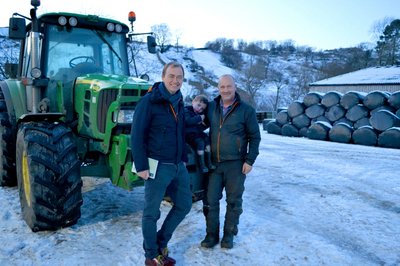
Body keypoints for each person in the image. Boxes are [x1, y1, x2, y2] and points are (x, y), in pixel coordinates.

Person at [131, 62, 192, 266]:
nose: (176, 81)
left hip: (177, 165)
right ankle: (151, 255)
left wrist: (183, 157)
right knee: (151, 213)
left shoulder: (180, 101)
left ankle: (160, 243)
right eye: (172, 76)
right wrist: (141, 166)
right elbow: (137, 135)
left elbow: (180, 132)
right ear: (163, 77)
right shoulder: (149, 101)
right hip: (156, 166)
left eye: (180, 77)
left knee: (184, 205)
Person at [201, 74, 261, 249]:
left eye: (229, 86)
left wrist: (250, 160)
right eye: (222, 87)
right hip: (214, 164)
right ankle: (211, 235)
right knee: (210, 201)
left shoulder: (246, 110)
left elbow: (254, 137)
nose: (225, 90)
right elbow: (198, 123)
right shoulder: (211, 107)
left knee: (234, 202)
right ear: (218, 89)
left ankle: (228, 235)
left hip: (236, 164)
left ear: (235, 86)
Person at [184, 95, 216, 173]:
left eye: (202, 108)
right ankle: (202, 164)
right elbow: (188, 121)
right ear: (193, 102)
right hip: (190, 135)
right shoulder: (186, 111)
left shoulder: (199, 115)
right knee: (200, 143)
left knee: (207, 140)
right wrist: (199, 118)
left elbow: (201, 127)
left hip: (198, 133)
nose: (199, 109)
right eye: (198, 105)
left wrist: (207, 123)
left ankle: (208, 161)